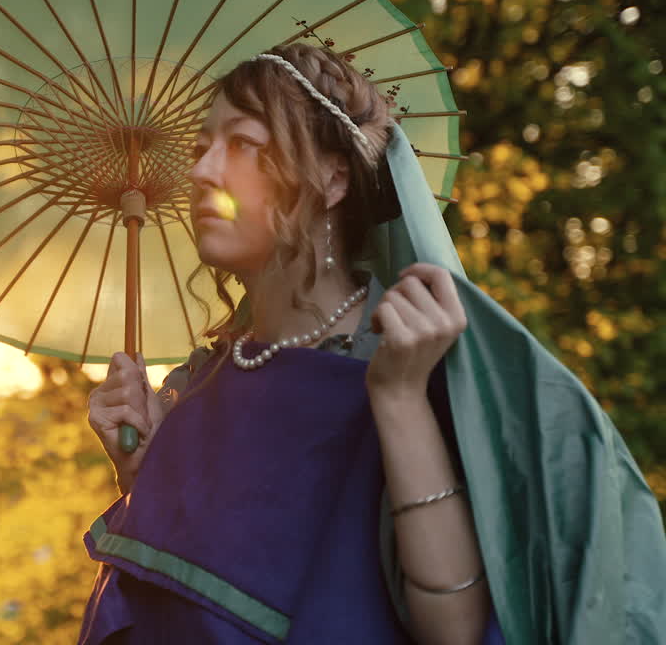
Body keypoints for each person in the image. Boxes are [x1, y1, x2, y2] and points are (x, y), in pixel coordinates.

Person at [78, 43, 666, 644]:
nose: (201, 172)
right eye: (203, 149)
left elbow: (453, 631)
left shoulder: (410, 348)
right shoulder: (194, 383)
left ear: (333, 178)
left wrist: (400, 396)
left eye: (243, 145)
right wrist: (144, 474)